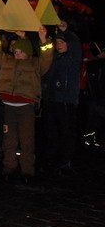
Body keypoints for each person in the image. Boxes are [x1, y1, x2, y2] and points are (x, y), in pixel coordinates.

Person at [0, 25, 53, 183]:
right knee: (9, 140)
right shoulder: (7, 60)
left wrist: (44, 40)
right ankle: (8, 168)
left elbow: (47, 57)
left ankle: (27, 171)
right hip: (9, 106)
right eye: (15, 51)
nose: (17, 54)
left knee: (26, 140)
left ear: (27, 52)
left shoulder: (35, 64)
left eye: (20, 52)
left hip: (26, 107)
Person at [42, 25, 82, 175]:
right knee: (51, 132)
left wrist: (65, 31)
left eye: (62, 42)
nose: (58, 45)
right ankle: (52, 160)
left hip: (66, 101)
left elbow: (76, 44)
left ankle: (66, 162)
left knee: (66, 133)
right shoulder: (52, 59)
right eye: (57, 42)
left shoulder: (73, 58)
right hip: (52, 100)